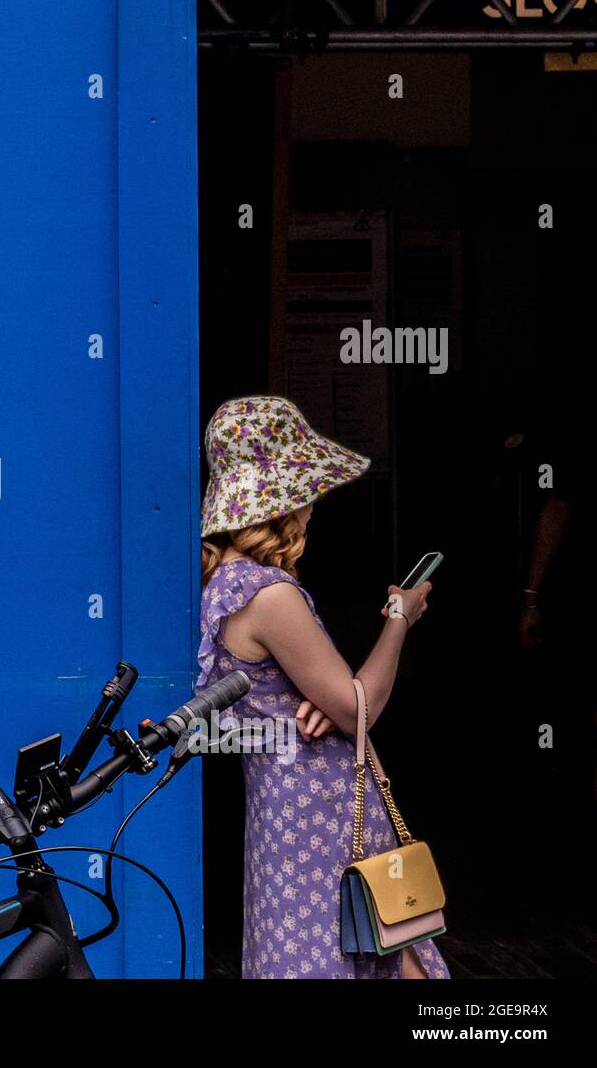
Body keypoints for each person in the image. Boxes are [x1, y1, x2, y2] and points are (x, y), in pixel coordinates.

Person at [195, 395, 450, 979]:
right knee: (389, 944)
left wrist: (290, 716)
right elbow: (360, 706)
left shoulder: (219, 585)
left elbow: (230, 720)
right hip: (326, 806)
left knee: (308, 952)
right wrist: (399, 616)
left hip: (279, 810)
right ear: (282, 501)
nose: (315, 502)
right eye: (306, 488)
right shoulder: (270, 594)